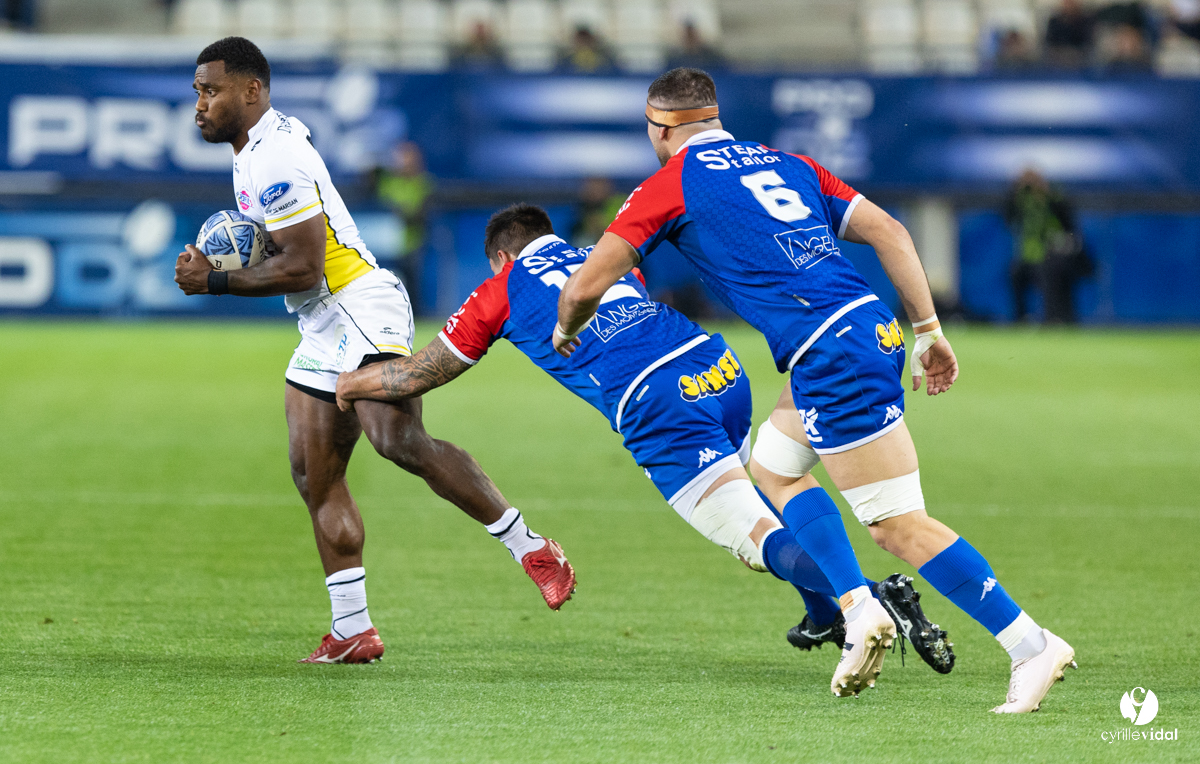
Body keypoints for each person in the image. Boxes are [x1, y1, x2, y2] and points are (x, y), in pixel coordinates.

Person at [554, 68, 1077, 714]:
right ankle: (859, 609)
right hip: (861, 330)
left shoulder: (669, 185)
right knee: (771, 467)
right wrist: (928, 329)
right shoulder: (791, 163)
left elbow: (583, 288)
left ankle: (1030, 644)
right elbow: (891, 231)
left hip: (833, 355)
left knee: (896, 526)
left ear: (659, 128)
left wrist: (563, 329)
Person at [336, 204, 959, 694]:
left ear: (501, 255)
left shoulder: (498, 288)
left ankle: (871, 597)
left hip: (658, 403)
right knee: (769, 496)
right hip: (716, 367)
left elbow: (421, 373)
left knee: (754, 540)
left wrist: (351, 383)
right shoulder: (601, 256)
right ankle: (823, 612)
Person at [173, 37, 576, 664]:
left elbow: (305, 268)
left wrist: (215, 279)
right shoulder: (255, 149)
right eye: (197, 90)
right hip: (320, 323)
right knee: (313, 472)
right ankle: (352, 629)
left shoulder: (273, 158)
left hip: (358, 305)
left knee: (398, 440)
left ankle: (531, 547)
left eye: (211, 89)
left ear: (251, 90)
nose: (198, 103)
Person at [1004, 169, 1088, 324]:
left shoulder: (1054, 198)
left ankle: (1053, 319)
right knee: (1015, 276)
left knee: (1050, 280)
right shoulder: (1022, 200)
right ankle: (1020, 318)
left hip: (1051, 254)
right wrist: (1016, 192)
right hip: (1028, 256)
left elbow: (1069, 225)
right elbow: (1007, 216)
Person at [374, 141, 434, 315]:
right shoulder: (388, 182)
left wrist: (401, 213)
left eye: (408, 157)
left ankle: (414, 317)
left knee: (412, 284)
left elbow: (421, 213)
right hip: (385, 244)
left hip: (412, 243)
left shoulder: (423, 183)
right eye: (401, 157)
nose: (404, 162)